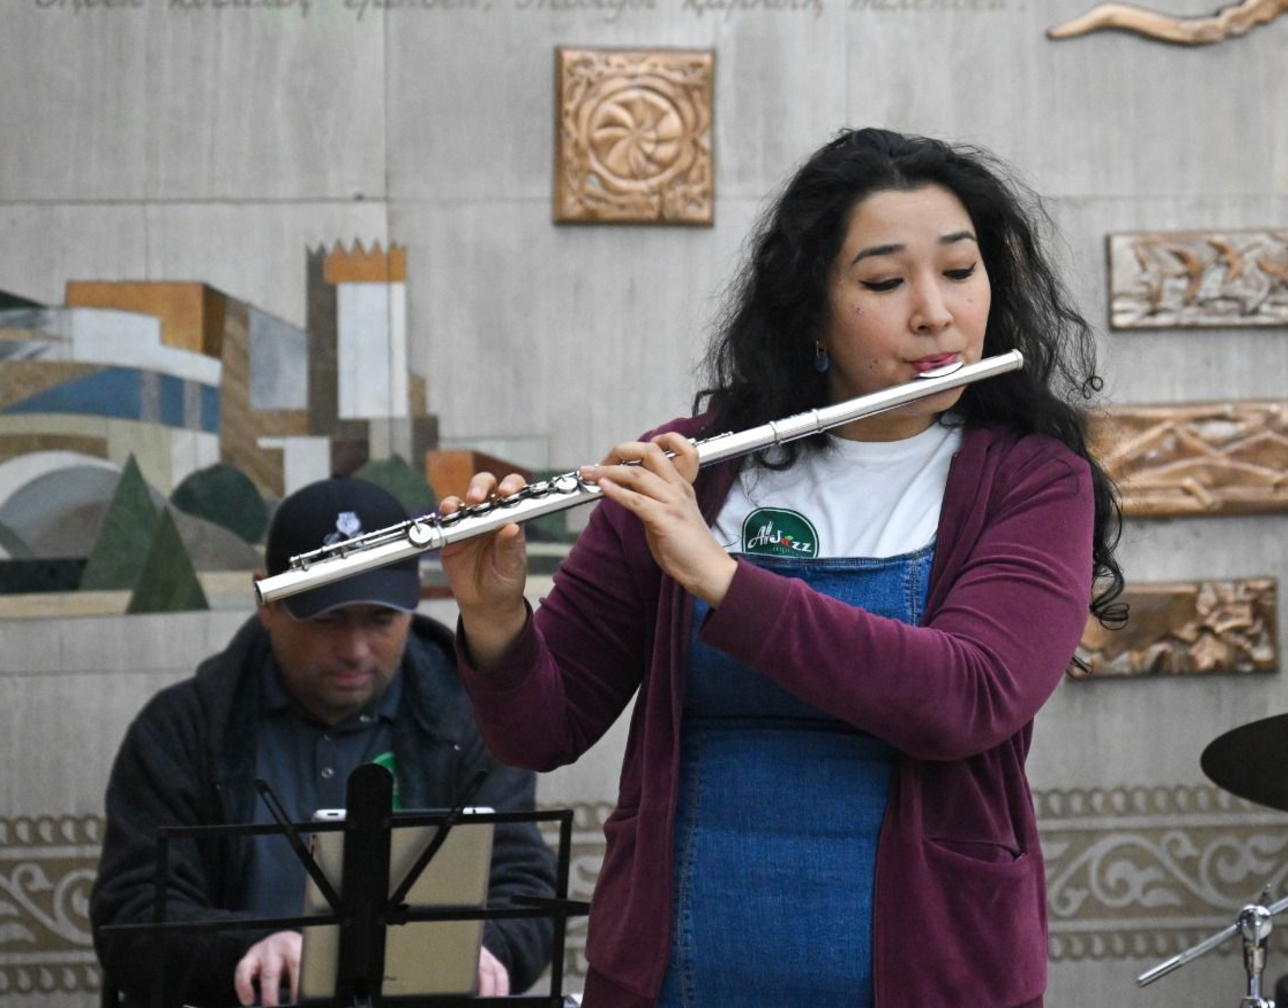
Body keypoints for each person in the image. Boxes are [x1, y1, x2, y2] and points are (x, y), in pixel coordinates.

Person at [439, 127, 1125, 1008]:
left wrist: (724, 580)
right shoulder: (689, 466)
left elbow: (965, 698)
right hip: (678, 974)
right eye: (885, 282)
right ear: (810, 309)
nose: (935, 312)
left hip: (937, 976)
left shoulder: (1032, 480)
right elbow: (543, 730)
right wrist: (496, 620)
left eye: (960, 271)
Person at [90, 477, 559, 1007]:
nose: (355, 650)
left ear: (414, 604)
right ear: (268, 601)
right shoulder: (180, 729)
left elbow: (527, 892)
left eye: (380, 620)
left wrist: (479, 946)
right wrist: (252, 948)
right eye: (327, 619)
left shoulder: (474, 718)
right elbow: (129, 916)